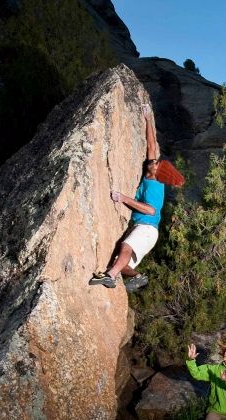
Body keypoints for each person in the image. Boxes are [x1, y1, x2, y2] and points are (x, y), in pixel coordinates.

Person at [90, 105, 184, 292]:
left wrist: (123, 198)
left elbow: (151, 210)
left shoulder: (155, 184)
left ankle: (109, 277)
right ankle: (138, 276)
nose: (153, 161)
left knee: (125, 246)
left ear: (158, 173)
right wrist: (148, 119)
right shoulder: (150, 175)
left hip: (147, 228)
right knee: (121, 262)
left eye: (156, 163)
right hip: (147, 232)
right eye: (155, 161)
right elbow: (151, 145)